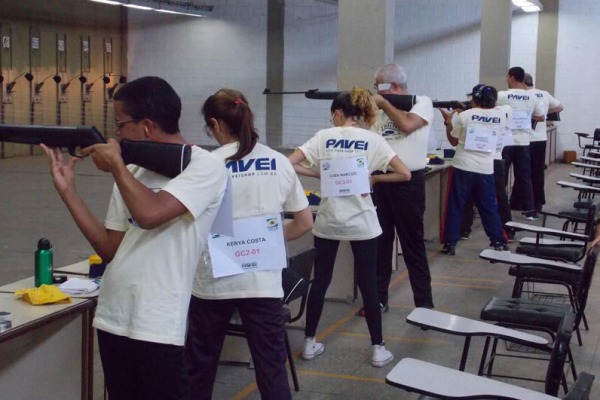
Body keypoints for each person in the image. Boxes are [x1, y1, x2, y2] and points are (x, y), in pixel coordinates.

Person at [40, 76, 228, 400]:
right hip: (113, 315)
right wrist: (69, 193)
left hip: (157, 323)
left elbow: (150, 214)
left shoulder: (205, 166)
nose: (115, 134)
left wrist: (116, 164)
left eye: (119, 124)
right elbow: (109, 248)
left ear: (147, 126)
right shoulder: (135, 170)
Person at [185, 89, 313, 400]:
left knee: (199, 369)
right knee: (271, 370)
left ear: (215, 124)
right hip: (263, 283)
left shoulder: (206, 164)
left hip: (213, 282)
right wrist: (264, 240)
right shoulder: (278, 162)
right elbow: (305, 222)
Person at [289, 87, 411, 368]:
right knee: (368, 284)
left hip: (329, 221)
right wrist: (376, 180)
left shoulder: (323, 137)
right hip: (363, 223)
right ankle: (378, 349)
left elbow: (289, 163)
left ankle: (309, 343)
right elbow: (404, 174)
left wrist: (316, 172)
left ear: (337, 113)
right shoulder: (373, 140)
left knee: (320, 281)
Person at [371, 63, 435, 310]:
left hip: (408, 184)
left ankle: (424, 304)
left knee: (413, 245)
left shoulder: (422, 102)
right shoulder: (377, 108)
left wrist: (383, 103)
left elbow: (408, 126)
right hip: (379, 180)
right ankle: (378, 298)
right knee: (380, 244)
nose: (376, 91)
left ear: (394, 86)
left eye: (379, 86)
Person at [438, 84, 511, 256]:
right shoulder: (501, 116)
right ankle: (498, 241)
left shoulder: (465, 116)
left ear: (475, 99)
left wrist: (448, 121)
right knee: (489, 206)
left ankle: (450, 243)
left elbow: (454, 141)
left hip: (463, 167)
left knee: (455, 205)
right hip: (486, 169)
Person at [497, 66, 545, 220]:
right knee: (524, 177)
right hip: (524, 142)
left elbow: (491, 109)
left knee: (501, 177)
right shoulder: (532, 97)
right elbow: (541, 116)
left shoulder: (503, 95)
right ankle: (530, 211)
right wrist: (526, 117)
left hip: (506, 141)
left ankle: (499, 209)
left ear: (511, 77)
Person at [522, 72, 564, 212]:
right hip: (541, 139)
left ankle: (524, 201)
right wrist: (545, 112)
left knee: (524, 173)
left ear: (522, 83)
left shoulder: (524, 96)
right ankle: (538, 202)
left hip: (526, 140)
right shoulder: (544, 94)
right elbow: (560, 107)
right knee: (538, 172)